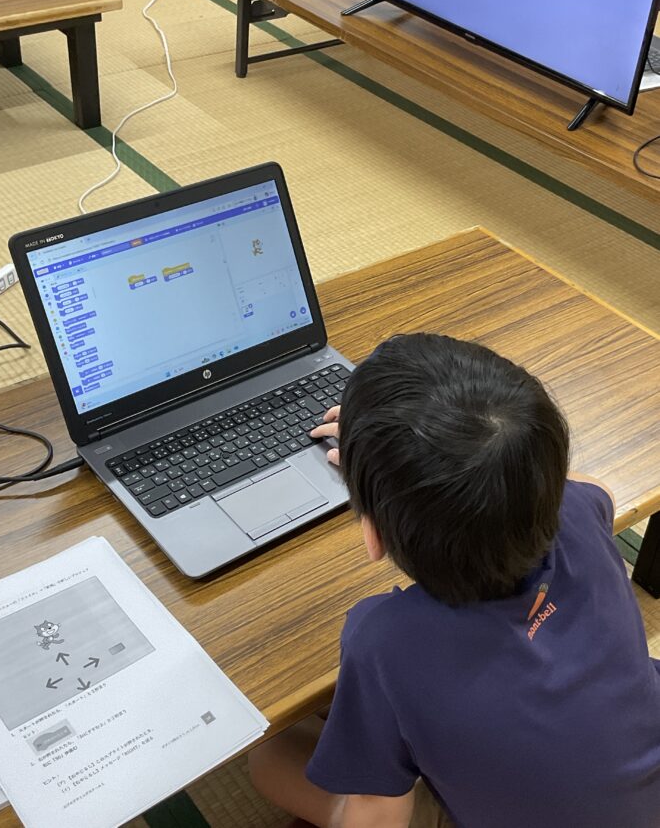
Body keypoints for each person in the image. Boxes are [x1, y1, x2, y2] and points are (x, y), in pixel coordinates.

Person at [248, 333, 660, 828]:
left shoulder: (384, 641)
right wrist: (398, 464)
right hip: (639, 783)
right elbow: (595, 488)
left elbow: (376, 819)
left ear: (374, 537)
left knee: (269, 755)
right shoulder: (578, 511)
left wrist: (374, 461)